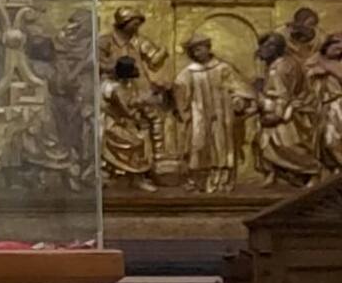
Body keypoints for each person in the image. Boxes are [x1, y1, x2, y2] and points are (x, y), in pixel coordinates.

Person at [172, 36, 254, 194]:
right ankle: (198, 181)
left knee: (221, 145)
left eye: (200, 48)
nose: (197, 53)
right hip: (199, 115)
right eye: (194, 50)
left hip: (221, 114)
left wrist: (238, 100)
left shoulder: (223, 68)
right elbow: (180, 90)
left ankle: (222, 180)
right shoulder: (189, 72)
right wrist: (181, 106)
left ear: (208, 48)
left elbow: (239, 87)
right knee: (198, 145)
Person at [254, 31, 321, 187]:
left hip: (287, 111)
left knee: (288, 144)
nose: (264, 49)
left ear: (278, 48)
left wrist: (276, 115)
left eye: (269, 45)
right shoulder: (272, 65)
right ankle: (273, 172)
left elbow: (285, 95)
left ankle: (312, 170)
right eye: (263, 45)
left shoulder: (284, 66)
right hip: (272, 107)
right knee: (264, 143)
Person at [101, 56, 160, 190]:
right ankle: (135, 176)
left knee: (138, 137)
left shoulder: (115, 84)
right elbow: (127, 110)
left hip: (116, 121)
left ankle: (131, 176)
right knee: (138, 142)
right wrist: (143, 103)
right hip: (112, 125)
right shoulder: (115, 88)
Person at [307, 32, 342, 171]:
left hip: (337, 104)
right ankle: (334, 168)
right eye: (336, 48)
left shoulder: (338, 63)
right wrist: (313, 73)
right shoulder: (314, 60)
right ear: (327, 46)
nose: (338, 52)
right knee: (320, 140)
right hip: (320, 105)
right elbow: (302, 78)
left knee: (332, 140)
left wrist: (329, 69)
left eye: (341, 50)